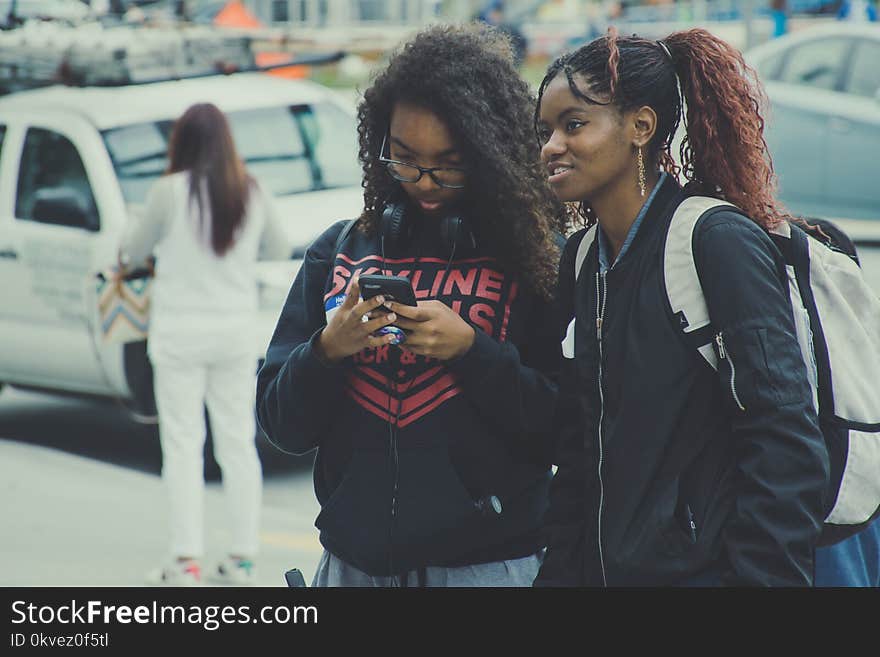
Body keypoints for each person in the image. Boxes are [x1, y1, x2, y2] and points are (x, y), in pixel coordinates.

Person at [256, 23, 566, 587]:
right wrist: (328, 349)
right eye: (403, 158)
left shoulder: (539, 262)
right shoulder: (338, 251)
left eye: (448, 163)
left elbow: (567, 428)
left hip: (487, 569)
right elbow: (282, 425)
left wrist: (471, 352)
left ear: (489, 153)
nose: (424, 181)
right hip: (352, 568)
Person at [532, 28, 830, 586]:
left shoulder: (715, 241)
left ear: (641, 127)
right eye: (545, 130)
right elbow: (581, 452)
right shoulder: (581, 259)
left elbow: (784, 443)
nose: (551, 146)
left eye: (573, 125)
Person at [121, 103, 290, 586]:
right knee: (238, 445)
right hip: (235, 333)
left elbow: (133, 253)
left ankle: (186, 561)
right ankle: (242, 559)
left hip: (178, 336)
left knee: (182, 445)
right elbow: (276, 248)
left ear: (182, 142)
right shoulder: (250, 190)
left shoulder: (167, 193)